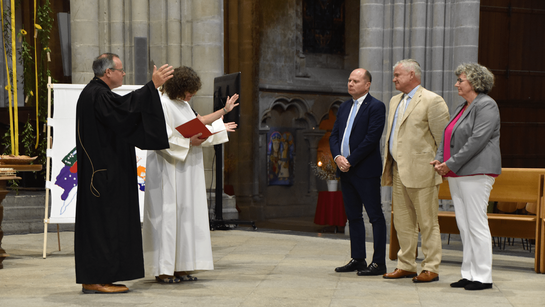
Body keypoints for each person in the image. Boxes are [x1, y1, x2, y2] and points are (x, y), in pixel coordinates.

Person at [75, 53, 174, 293]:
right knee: (102, 226)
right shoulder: (97, 94)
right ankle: (96, 279)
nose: (124, 73)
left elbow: (121, 115)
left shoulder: (97, 93)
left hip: (104, 173)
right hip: (102, 175)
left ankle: (101, 277)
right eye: (120, 69)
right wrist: (152, 86)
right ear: (108, 72)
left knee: (108, 224)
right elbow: (124, 109)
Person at [142, 66, 239, 283]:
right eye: (189, 91)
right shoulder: (163, 104)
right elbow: (159, 137)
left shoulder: (183, 104)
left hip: (187, 167)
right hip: (169, 167)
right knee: (168, 216)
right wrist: (188, 141)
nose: (191, 95)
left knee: (186, 216)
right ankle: (164, 269)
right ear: (179, 87)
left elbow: (200, 122)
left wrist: (223, 114)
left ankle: (182, 266)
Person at [431, 63, 500, 291]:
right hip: (458, 172)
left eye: (461, 80)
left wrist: (449, 164)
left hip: (477, 172)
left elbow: (477, 141)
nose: (456, 84)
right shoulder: (463, 106)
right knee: (464, 224)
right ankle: (469, 273)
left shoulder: (487, 105)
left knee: (476, 223)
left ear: (475, 82)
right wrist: (440, 160)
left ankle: (483, 276)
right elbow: (447, 135)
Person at [382, 59, 449, 282]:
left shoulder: (432, 100)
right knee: (403, 221)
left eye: (398, 75)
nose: (394, 79)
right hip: (399, 170)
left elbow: (443, 139)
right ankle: (406, 264)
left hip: (423, 170)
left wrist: (441, 164)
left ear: (412, 75)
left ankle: (431, 266)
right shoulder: (394, 101)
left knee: (427, 222)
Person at [329, 68, 387, 276]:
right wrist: (338, 158)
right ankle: (358, 259)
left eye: (355, 80)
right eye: (349, 80)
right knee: (353, 216)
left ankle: (379, 262)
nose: (350, 83)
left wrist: (350, 161)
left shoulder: (376, 107)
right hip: (345, 170)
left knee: (375, 216)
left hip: (365, 170)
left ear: (367, 84)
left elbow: (371, 139)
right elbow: (334, 136)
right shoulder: (344, 107)